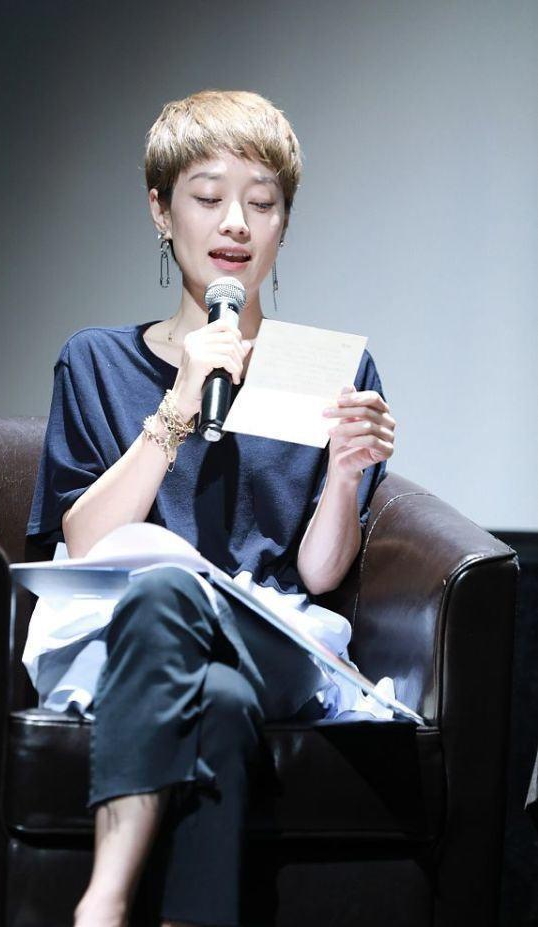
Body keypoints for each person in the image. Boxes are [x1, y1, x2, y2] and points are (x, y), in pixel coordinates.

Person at [24, 90, 396, 927]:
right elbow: (85, 539)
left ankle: (102, 901)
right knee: (215, 696)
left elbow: (318, 572)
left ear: (283, 225)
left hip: (275, 635)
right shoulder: (96, 360)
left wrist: (346, 473)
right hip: (131, 643)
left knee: (181, 602)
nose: (235, 223)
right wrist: (180, 401)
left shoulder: (326, 369)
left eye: (261, 203)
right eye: (206, 197)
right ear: (161, 211)